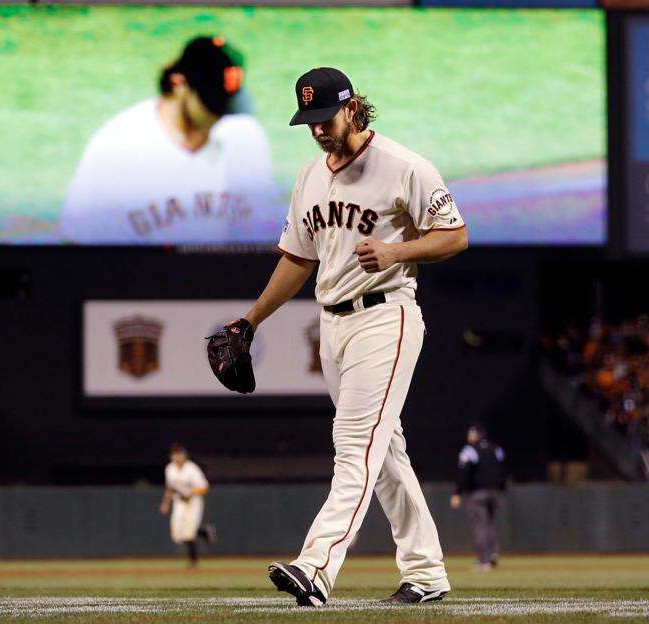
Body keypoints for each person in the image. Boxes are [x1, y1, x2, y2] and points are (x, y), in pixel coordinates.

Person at [232, 67, 467, 606]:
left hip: (387, 318)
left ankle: (316, 567)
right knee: (383, 456)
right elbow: (297, 260)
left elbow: (455, 235)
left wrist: (397, 251)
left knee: (354, 447)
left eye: (324, 117)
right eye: (307, 120)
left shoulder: (405, 167)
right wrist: (251, 320)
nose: (316, 129)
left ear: (353, 108)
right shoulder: (310, 176)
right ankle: (427, 572)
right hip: (332, 324)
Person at [60, 36, 279, 244]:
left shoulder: (246, 137)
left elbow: (262, 235)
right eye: (213, 102)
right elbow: (76, 241)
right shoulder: (116, 146)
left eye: (227, 105)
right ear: (178, 84)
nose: (220, 115)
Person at [450, 424, 506, 571]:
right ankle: (493, 554)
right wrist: (501, 488)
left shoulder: (469, 450)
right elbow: (502, 470)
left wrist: (457, 493)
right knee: (490, 525)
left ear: (477, 435)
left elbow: (463, 473)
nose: (470, 436)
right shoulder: (496, 449)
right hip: (495, 492)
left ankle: (484, 560)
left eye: (472, 434)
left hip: (478, 493)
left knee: (480, 526)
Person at [159, 443, 216, 567]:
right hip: (179, 501)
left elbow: (204, 488)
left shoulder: (192, 468)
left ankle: (193, 561)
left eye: (179, 453)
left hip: (194, 501)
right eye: (174, 454)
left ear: (185, 455)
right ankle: (204, 532)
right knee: (177, 535)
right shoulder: (169, 469)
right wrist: (165, 503)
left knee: (188, 533)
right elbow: (170, 488)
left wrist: (190, 493)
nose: (176, 456)